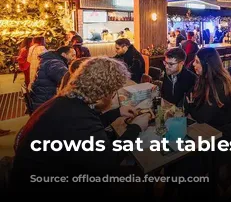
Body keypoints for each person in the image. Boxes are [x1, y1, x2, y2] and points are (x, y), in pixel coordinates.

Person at [10, 57, 150, 196]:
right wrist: (136, 127)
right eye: (113, 92)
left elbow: (87, 127)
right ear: (104, 92)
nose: (113, 97)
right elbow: (108, 163)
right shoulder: (77, 117)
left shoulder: (67, 102)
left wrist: (117, 112)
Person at [187, 48, 231, 140]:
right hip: (213, 129)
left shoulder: (219, 84)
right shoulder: (204, 78)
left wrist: (190, 105)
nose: (194, 64)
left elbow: (201, 117)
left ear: (207, 64)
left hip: (228, 137)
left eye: (197, 62)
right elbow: (192, 96)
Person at [29, 46, 76, 112]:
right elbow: (68, 80)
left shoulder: (51, 60)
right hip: (44, 103)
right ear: (64, 55)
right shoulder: (54, 63)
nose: (74, 58)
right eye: (73, 55)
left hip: (40, 98)